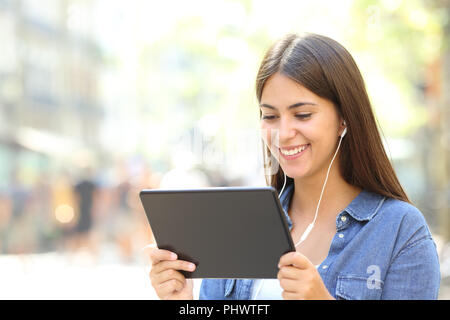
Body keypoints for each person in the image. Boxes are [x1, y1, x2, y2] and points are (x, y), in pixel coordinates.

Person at [147, 33, 441, 300]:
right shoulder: (237, 224)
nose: (283, 133)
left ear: (344, 118)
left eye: (302, 115)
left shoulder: (400, 231)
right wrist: (181, 302)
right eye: (270, 116)